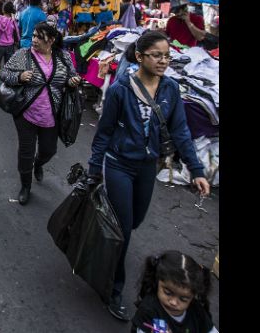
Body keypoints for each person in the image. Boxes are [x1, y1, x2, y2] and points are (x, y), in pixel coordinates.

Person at [87, 30, 210, 321]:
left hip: (147, 166)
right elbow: (104, 132)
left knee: (136, 219)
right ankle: (113, 288)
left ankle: (109, 254)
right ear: (140, 57)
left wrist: (196, 170)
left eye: (167, 55)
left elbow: (180, 130)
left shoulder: (170, 90)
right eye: (157, 55)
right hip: (118, 163)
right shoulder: (120, 90)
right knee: (124, 228)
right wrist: (94, 170)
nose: (164, 60)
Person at [0, 22, 81, 205]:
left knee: (48, 150)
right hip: (26, 113)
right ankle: (25, 186)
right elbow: (5, 73)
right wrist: (19, 77)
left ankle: (39, 163)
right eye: (34, 36)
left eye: (39, 37)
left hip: (52, 115)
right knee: (25, 151)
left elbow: (70, 76)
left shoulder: (63, 57)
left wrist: (72, 81)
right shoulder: (23, 54)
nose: (34, 40)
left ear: (51, 40)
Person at [131, 251, 218, 333]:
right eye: (168, 293)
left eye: (183, 299)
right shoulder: (149, 310)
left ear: (193, 296)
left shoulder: (197, 311)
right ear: (158, 281)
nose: (173, 302)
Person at [0, 1, 22, 101]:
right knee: (8, 69)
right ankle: (5, 89)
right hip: (9, 46)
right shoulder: (13, 21)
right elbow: (17, 36)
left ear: (3, 9)